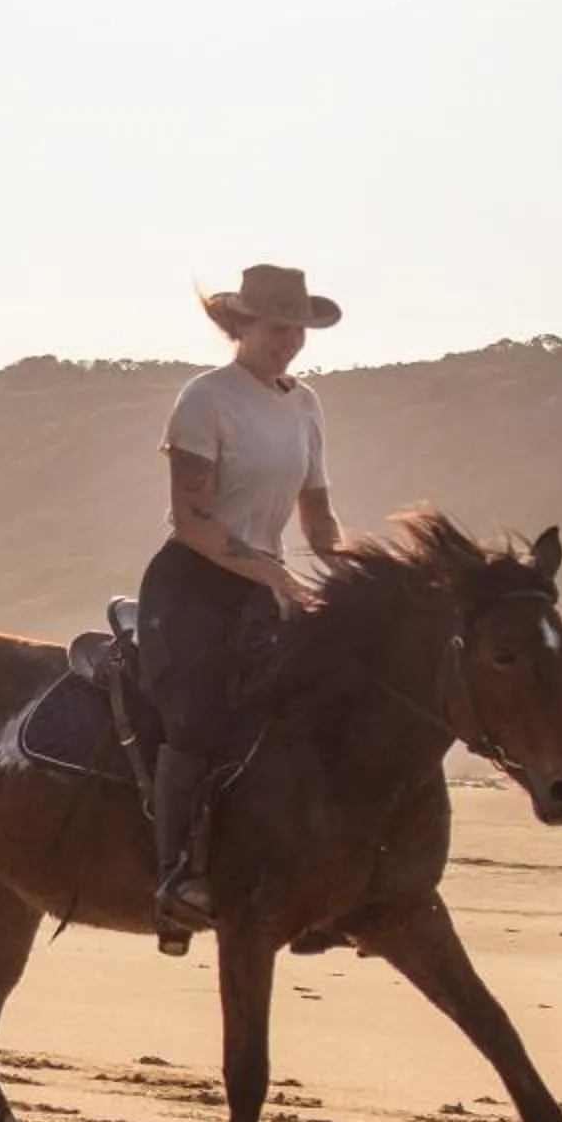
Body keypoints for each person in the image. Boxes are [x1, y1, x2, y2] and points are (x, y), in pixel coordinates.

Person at [137, 263, 346, 929]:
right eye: (278, 328)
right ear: (242, 325)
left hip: (266, 585)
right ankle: (178, 874)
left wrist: (359, 573)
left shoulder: (305, 404)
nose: (290, 341)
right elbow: (193, 520)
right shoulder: (206, 398)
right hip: (194, 587)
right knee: (199, 713)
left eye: (298, 330)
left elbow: (318, 520)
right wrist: (273, 575)